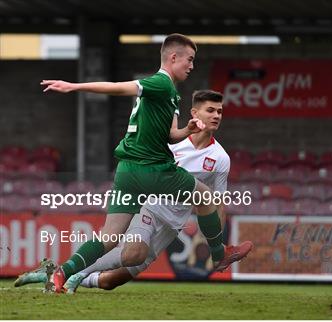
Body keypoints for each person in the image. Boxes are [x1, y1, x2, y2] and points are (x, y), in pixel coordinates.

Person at [39, 34, 251, 293]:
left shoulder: (170, 95)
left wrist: (188, 128)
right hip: (152, 168)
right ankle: (219, 254)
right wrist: (74, 86)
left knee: (109, 236)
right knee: (205, 197)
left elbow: (172, 134)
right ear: (173, 58)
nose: (192, 66)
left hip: (127, 170)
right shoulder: (161, 83)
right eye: (190, 60)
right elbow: (120, 87)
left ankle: (61, 274)